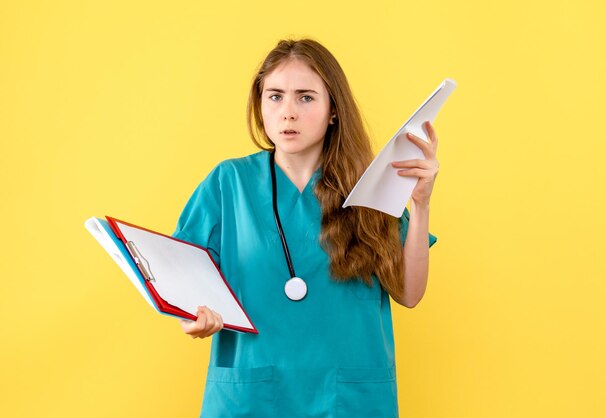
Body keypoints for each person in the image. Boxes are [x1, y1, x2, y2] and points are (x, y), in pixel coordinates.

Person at [173, 38, 439, 417]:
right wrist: (193, 318)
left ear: (333, 110)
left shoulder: (370, 187)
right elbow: (180, 281)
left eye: (306, 97)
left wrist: (421, 203)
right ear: (260, 104)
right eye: (275, 96)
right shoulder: (226, 184)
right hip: (253, 398)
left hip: (348, 401)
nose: (288, 113)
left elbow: (410, 293)